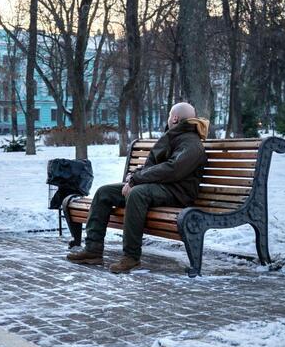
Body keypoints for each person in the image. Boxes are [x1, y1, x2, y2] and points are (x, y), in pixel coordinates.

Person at [67, 102, 209, 273]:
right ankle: (93, 250)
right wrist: (134, 175)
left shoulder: (191, 143)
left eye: (170, 115)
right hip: (159, 186)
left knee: (136, 194)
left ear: (175, 118)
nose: (169, 118)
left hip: (177, 192)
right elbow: (153, 165)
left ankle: (131, 257)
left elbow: (172, 170)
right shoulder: (173, 136)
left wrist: (136, 180)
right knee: (104, 192)